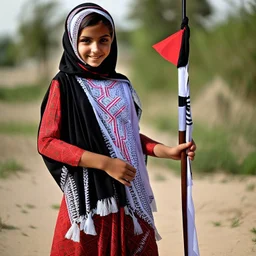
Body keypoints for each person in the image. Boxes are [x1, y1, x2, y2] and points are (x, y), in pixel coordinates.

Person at [37, 3, 196, 256]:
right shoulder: (63, 85)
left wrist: (167, 151)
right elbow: (47, 141)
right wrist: (104, 163)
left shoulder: (121, 85)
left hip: (129, 196)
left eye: (104, 40)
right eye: (86, 40)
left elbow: (128, 137)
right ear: (71, 40)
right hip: (91, 200)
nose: (95, 49)